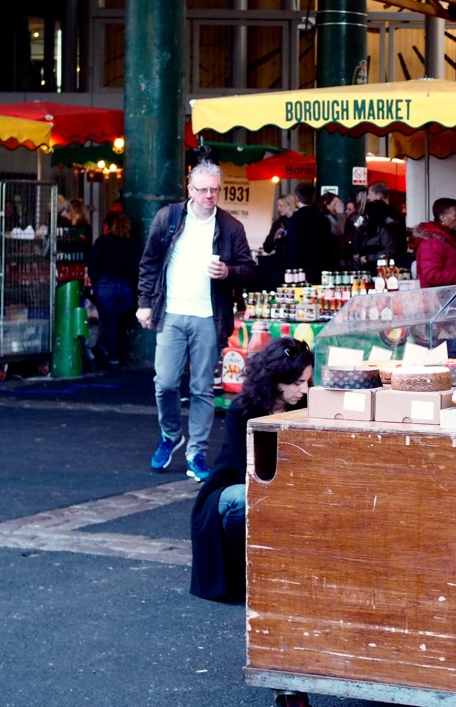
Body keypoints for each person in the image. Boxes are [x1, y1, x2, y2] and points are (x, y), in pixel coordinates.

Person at [137, 160, 257, 483]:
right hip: (172, 312)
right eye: (202, 189)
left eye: (214, 190)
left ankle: (196, 452)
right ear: (189, 189)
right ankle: (171, 434)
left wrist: (228, 272)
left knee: (202, 388)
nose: (209, 195)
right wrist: (144, 304)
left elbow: (249, 269)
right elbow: (149, 263)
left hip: (209, 316)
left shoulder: (230, 226)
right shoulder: (169, 218)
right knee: (165, 382)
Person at [190, 336, 312, 603]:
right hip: (232, 486)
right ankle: (239, 578)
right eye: (297, 383)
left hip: (281, 483)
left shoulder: (303, 406)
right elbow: (242, 466)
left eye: (307, 382)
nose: (304, 390)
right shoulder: (242, 409)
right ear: (277, 381)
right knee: (245, 500)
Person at [87, 210, 140, 368]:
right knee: (118, 324)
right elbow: (137, 269)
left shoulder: (103, 241)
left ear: (109, 226)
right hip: (126, 287)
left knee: (109, 322)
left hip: (105, 285)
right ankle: (106, 352)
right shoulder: (134, 243)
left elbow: (93, 265)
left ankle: (112, 357)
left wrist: (96, 282)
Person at [284, 182, 333, 284]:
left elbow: (294, 248)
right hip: (322, 270)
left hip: (301, 272)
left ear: (297, 199)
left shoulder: (295, 220)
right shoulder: (323, 220)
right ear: (314, 197)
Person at [351, 181, 404, 269]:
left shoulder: (389, 218)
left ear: (378, 196)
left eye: (370, 194)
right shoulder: (393, 214)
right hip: (375, 261)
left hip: (382, 265)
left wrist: (367, 257)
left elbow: (391, 248)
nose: (367, 197)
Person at [412, 198, 456, 288]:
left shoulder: (451, 237)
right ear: (443, 218)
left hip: (448, 292)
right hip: (437, 295)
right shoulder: (431, 242)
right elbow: (432, 276)